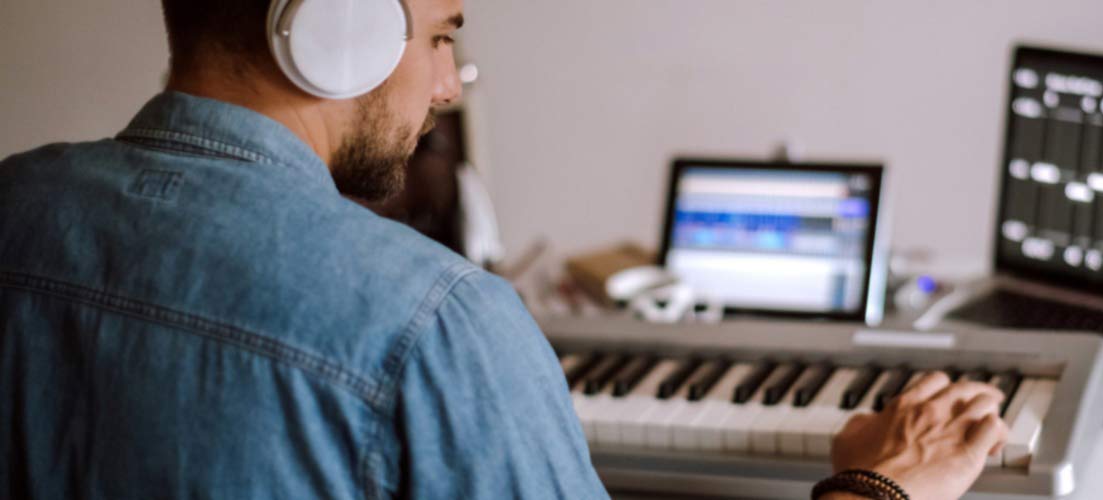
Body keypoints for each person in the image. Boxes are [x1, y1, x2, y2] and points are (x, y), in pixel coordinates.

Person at [0, 0, 1009, 498]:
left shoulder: (17, 201)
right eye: (442, 34)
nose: (448, 84)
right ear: (332, 31)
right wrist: (879, 485)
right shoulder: (432, 318)